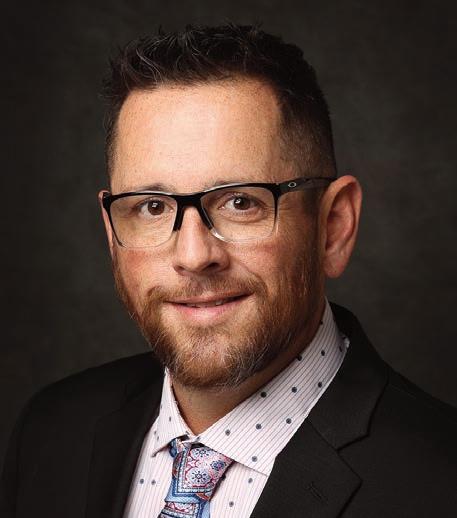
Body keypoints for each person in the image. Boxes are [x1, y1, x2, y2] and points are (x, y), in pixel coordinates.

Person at [1, 23, 457, 518]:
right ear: (112, 233)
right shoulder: (51, 431)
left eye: (241, 202)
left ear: (333, 227)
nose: (194, 256)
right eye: (152, 207)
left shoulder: (439, 484)